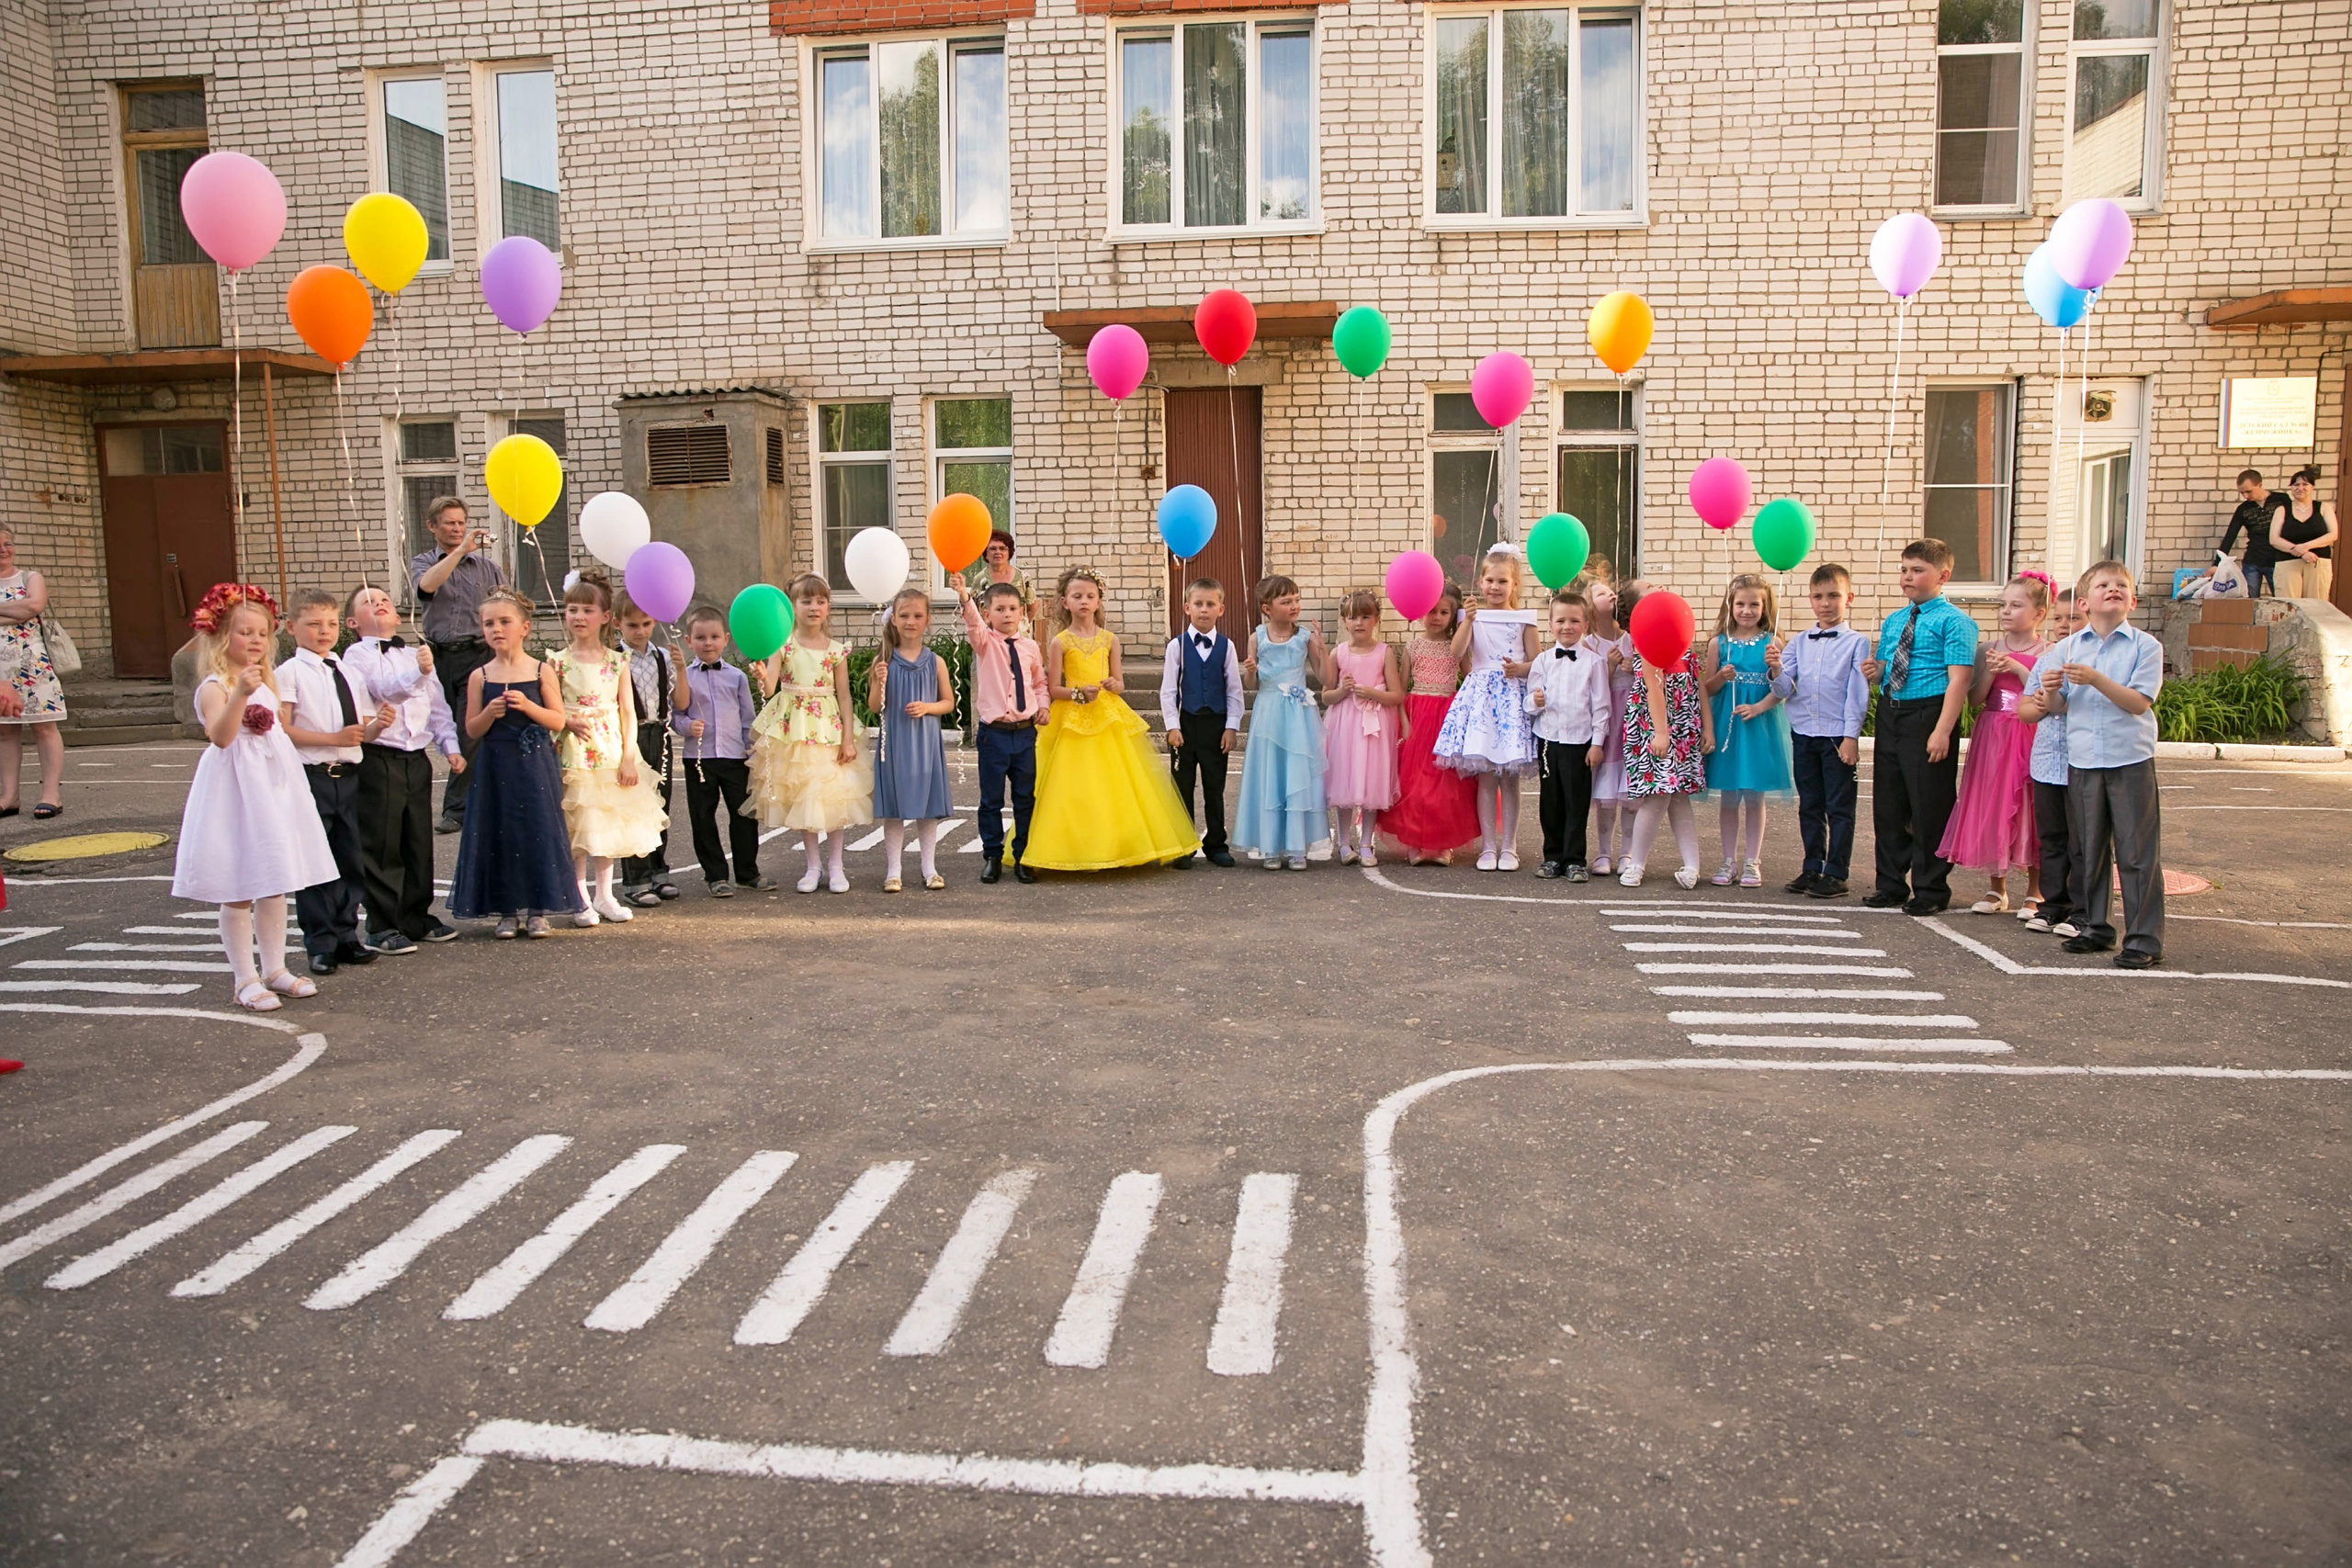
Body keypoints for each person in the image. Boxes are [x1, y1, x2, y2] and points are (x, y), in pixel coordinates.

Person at [170, 584, 335, 1010]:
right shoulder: (215, 686)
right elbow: (221, 738)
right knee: (240, 885)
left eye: (262, 633)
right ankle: (245, 977)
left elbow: (277, 735)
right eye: (245, 632)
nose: (256, 641)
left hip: (272, 790)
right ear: (223, 636)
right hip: (236, 794)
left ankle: (276, 967)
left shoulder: (269, 682)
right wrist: (239, 694)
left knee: (275, 882)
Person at [2028, 559, 2165, 968]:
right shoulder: (2069, 647)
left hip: (2129, 758)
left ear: (2132, 600)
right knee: (2088, 848)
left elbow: (2138, 702)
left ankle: (2143, 938)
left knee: (2136, 852)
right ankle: (2096, 926)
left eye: (2121, 585)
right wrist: (2050, 692)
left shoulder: (2145, 647)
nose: (2114, 589)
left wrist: (2096, 680)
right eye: (2104, 585)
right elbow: (2058, 708)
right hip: (2083, 759)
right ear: (2085, 603)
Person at [1025, 566, 1200, 872]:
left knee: (1116, 784)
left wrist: (1112, 685)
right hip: (1073, 720)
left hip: (1108, 715)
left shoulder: (1110, 639)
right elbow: (1054, 688)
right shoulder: (1059, 642)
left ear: (1098, 601)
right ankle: (1075, 846)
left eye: (1090, 596)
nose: (1084, 601)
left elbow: (1119, 682)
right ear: (1065, 602)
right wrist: (1078, 694)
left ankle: (1120, 843)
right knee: (1076, 785)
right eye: (1077, 596)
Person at [448, 587, 581, 937]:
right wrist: (490, 714)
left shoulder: (541, 671)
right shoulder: (481, 676)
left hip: (534, 763)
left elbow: (557, 720)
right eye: (489, 623)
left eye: (505, 621)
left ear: (524, 627)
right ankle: (507, 911)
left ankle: (538, 909)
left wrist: (528, 707)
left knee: (537, 829)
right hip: (496, 764)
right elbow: (472, 730)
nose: (496, 629)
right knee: (500, 831)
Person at [342, 585, 464, 953]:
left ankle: (416, 915)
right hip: (380, 756)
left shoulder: (414, 653)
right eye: (368, 602)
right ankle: (382, 924)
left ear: (398, 616)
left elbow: (438, 705)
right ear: (352, 621)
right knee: (382, 842)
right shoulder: (356, 656)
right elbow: (382, 690)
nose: (378, 604)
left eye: (384, 601)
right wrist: (417, 671)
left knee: (416, 840)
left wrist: (450, 746)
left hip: (415, 757)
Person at [1861, 537, 1980, 916]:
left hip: (1929, 713)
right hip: (1893, 711)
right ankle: (1891, 882)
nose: (1907, 577)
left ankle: (1930, 887)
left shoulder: (1956, 622)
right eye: (1904, 569)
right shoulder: (1896, 620)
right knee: (1889, 801)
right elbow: (1886, 668)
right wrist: (1874, 671)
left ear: (1942, 576)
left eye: (1917, 571)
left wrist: (1943, 730)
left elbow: (1959, 680)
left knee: (1928, 803)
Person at [274, 588, 388, 977]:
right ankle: (319, 943)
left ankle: (346, 936)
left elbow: (361, 731)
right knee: (316, 864)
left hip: (349, 776)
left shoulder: (346, 671)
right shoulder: (288, 673)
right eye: (313, 624)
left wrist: (377, 727)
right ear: (291, 627)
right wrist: (334, 740)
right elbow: (284, 729)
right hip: (314, 777)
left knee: (350, 860)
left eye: (331, 624)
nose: (324, 632)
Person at [548, 570, 668, 926]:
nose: (579, 617)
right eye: (572, 610)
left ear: (605, 618)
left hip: (610, 751)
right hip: (574, 753)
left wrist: (629, 757)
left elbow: (628, 712)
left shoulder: (617, 661)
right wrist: (564, 723)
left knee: (606, 823)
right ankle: (579, 897)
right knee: (579, 826)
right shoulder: (557, 661)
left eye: (587, 610)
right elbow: (552, 709)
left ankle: (604, 894)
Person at [748, 574, 874, 894]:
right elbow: (771, 685)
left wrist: (847, 738)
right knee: (805, 796)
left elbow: (844, 695)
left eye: (820, 601)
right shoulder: (783, 644)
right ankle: (812, 866)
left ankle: (836, 865)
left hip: (828, 727)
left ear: (828, 607)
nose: (813, 608)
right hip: (796, 731)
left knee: (832, 797)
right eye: (806, 601)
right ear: (793, 607)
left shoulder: (835, 650)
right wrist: (763, 673)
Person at [1939, 571, 2054, 914]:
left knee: (2029, 806)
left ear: (2038, 614)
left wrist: (2017, 667)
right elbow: (1974, 700)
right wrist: (1989, 671)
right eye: (2003, 604)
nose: (2006, 611)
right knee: (1993, 805)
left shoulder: (2049, 650)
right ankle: (1996, 888)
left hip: (2029, 731)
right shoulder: (1988, 649)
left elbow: (2044, 693)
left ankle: (2036, 889)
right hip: (1993, 734)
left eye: (2016, 605)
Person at [1434, 545, 1541, 871]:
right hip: (1481, 700)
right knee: (1485, 779)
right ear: (1480, 582)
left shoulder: (1524, 619)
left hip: (1510, 700)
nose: (1495, 587)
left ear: (1515, 585)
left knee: (1509, 778)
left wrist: (1518, 670)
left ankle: (1509, 845)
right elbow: (1455, 653)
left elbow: (1537, 662)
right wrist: (1467, 619)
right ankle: (1488, 846)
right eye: (1489, 580)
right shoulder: (1471, 617)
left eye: (1502, 582)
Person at [1770, 563, 1870, 898]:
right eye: (1818, 597)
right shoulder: (1799, 642)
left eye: (1833, 596)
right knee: (1810, 803)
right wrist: (1776, 669)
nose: (1825, 603)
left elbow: (1857, 692)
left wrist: (1850, 737)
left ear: (1849, 598)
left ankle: (1837, 871)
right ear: (1810, 600)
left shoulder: (1857, 643)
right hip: (1803, 733)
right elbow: (1786, 689)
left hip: (1835, 734)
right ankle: (1812, 865)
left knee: (1839, 805)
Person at [410, 498, 507, 834]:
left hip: (477, 656)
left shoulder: (487, 568)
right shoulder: (423, 562)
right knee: (444, 729)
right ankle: (475, 799)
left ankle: (456, 809)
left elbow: (505, 606)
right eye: (449, 523)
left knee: (469, 731)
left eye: (461, 522)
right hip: (438, 657)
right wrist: (458, 552)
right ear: (433, 527)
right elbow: (427, 587)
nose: (456, 528)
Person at [1232, 574, 1333, 870]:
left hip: (1298, 715)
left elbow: (1327, 679)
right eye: (1286, 601)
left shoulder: (1304, 637)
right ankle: (1270, 846)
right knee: (1270, 775)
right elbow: (1252, 684)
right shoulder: (1257, 637)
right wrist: (1250, 670)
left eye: (1296, 599)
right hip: (1269, 711)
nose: (1294, 606)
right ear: (1267, 608)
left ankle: (1297, 846)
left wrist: (1323, 649)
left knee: (1296, 775)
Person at [1701, 574, 1792, 888]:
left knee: (1755, 797)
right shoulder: (1718, 643)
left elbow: (1782, 689)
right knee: (1729, 797)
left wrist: (1774, 671)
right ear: (1730, 605)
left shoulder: (1773, 642)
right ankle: (1728, 860)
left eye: (1755, 604)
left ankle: (1753, 860)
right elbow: (1707, 689)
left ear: (1765, 607)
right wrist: (1722, 678)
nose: (1747, 610)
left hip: (1758, 725)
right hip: (1728, 727)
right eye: (1740, 603)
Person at [1378, 584, 1480, 866]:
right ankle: (1417, 842)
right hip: (1418, 715)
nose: (1436, 617)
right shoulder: (1413, 646)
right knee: (1415, 782)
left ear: (1453, 615)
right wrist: (1404, 722)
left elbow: (1470, 678)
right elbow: (1399, 687)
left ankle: (1442, 844)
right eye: (1432, 610)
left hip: (1446, 716)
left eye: (1444, 612)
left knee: (1446, 784)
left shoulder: (1456, 646)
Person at [672, 606, 770, 896]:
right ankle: (715, 875)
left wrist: (752, 751)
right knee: (703, 817)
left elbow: (747, 718)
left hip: (734, 757)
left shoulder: (737, 677)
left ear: (725, 639)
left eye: (714, 637)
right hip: (699, 759)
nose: (708, 643)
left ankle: (747, 873)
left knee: (743, 815)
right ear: (689, 641)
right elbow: (676, 714)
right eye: (700, 637)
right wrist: (688, 726)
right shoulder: (685, 677)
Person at [865, 587, 956, 892]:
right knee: (895, 807)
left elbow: (948, 702)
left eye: (917, 616)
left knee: (927, 807)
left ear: (927, 620)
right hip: (895, 743)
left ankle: (929, 868)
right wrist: (880, 681)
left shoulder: (936, 661)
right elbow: (874, 706)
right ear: (893, 620)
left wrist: (927, 708)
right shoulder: (884, 660)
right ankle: (894, 870)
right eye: (904, 615)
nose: (910, 621)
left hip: (925, 744)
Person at [958, 580, 1048, 883]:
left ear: (1022, 612)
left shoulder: (1030, 648)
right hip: (993, 735)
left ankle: (1023, 855)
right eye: (999, 609)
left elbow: (1039, 683)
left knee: (1025, 797)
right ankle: (992, 856)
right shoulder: (985, 643)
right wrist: (964, 596)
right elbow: (971, 624)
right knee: (991, 800)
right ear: (988, 614)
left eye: (1012, 609)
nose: (1007, 614)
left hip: (1024, 733)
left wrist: (1043, 705)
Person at [1618, 616, 1713, 889]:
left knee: (1680, 797)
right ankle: (1636, 863)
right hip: (1654, 730)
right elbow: (1654, 688)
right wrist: (1661, 733)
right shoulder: (1647, 648)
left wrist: (1709, 729)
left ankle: (1692, 866)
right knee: (1657, 797)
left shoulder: (1688, 653)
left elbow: (1700, 689)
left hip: (1684, 731)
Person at [1524, 589, 1612, 880]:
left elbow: (1601, 707)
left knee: (1577, 801)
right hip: (1549, 741)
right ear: (1550, 624)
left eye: (1574, 621)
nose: (1567, 627)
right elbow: (1529, 700)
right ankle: (1552, 857)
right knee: (1550, 802)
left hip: (1580, 742)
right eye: (1560, 621)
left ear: (1585, 624)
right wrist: (1534, 703)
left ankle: (1574, 858)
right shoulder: (1543, 661)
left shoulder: (1595, 663)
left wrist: (1597, 744)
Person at [1159, 577, 1245, 868]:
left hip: (1216, 727)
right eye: (1198, 604)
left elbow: (1234, 689)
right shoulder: (1177, 646)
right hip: (1185, 725)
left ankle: (1216, 843)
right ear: (1187, 608)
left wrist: (1231, 726)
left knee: (1214, 788)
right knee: (1182, 787)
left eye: (1210, 604)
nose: (1204, 610)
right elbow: (1169, 690)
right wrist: (1172, 726)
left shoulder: (1227, 646)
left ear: (1221, 609)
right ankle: (1182, 844)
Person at [2016, 585, 2086, 937]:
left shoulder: (2092, 660)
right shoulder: (2047, 659)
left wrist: (2062, 697)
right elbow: (2025, 710)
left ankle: (2082, 909)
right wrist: (2042, 703)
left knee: (2081, 839)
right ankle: (2052, 905)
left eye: (2073, 617)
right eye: (2059, 618)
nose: (2063, 625)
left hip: (2081, 764)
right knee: (2051, 837)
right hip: (2045, 762)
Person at [1323, 589, 1406, 867]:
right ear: (1344, 621)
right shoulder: (1339, 653)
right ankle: (1344, 843)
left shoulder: (1384, 653)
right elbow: (1326, 696)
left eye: (1365, 616)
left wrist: (1372, 693)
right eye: (1352, 617)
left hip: (1375, 725)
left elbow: (1397, 695)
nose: (1359, 622)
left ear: (1376, 620)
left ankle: (1367, 842)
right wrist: (1342, 691)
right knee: (1345, 783)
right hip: (1345, 723)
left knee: (1372, 783)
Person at [616, 592, 683, 908]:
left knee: (659, 806)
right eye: (632, 625)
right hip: (630, 736)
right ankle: (635, 879)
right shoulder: (614, 658)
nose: (640, 631)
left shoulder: (662, 657)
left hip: (660, 736)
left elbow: (681, 702)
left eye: (645, 624)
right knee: (633, 808)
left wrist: (681, 670)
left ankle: (659, 871)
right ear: (617, 624)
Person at [0, 523, 67, 820]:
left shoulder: (30, 577)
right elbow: (25, 609)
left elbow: (36, 605)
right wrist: (17, 608)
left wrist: (23, 608)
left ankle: (50, 794)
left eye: (8, 543)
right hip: (0, 670)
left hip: (32, 665)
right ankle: (9, 796)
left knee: (44, 726)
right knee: (4, 732)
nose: (4, 550)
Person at [1581, 579, 1635, 874]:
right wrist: (1611, 668)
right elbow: (1590, 684)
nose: (1611, 594)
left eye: (1612, 591)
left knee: (1629, 793)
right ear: (1591, 606)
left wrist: (1632, 667)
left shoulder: (1631, 638)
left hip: (1631, 719)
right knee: (1605, 793)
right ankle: (1603, 852)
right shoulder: (1589, 644)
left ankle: (1627, 852)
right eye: (1602, 593)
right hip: (1607, 722)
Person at [2269, 466, 2338, 603]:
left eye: (2305, 484)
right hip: (2288, 562)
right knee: (2288, 605)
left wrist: (2305, 546)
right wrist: (2302, 552)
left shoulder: (2324, 508)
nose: (2300, 488)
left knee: (2317, 605)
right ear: (2291, 488)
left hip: (2317, 563)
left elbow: (2333, 535)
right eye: (2296, 485)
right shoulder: (2282, 510)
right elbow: (2274, 539)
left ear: (2312, 487)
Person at [2218, 468, 2289, 599]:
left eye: (2249, 491)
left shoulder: (2282, 500)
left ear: (2260, 485)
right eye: (2241, 493)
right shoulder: (2243, 509)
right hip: (2253, 561)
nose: (2245, 496)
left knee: (2281, 600)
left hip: (2277, 560)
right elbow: (2230, 536)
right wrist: (2217, 564)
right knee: (2249, 602)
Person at [963, 528, 1035, 633]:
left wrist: (1020, 626)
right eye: (993, 549)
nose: (998, 552)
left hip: (1018, 638)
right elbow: (971, 609)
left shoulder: (1023, 577)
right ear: (986, 554)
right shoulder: (980, 579)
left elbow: (1032, 607)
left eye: (1002, 548)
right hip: (989, 639)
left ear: (1009, 552)